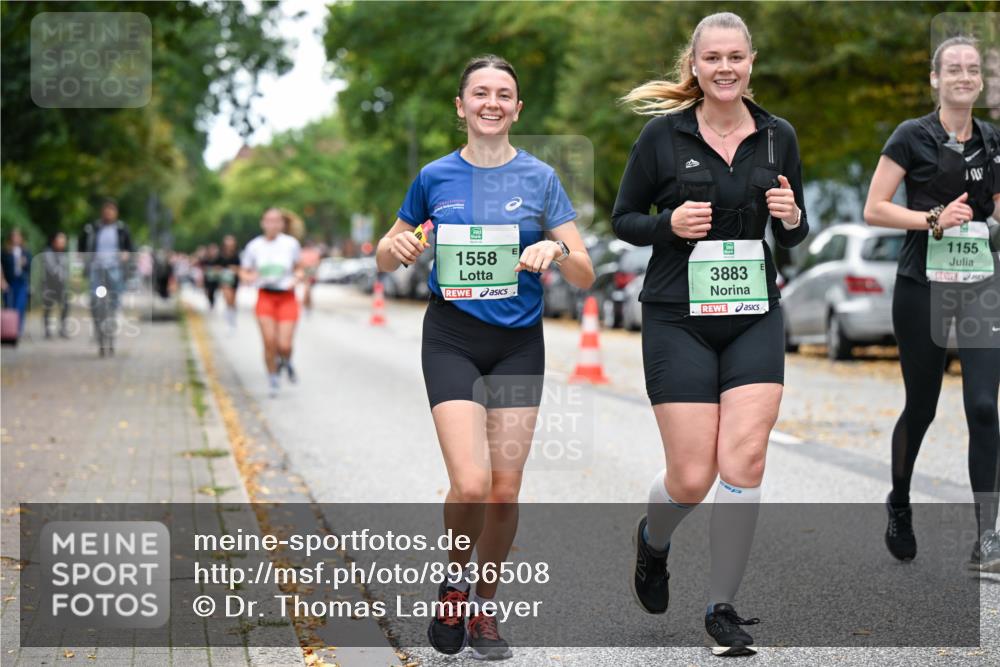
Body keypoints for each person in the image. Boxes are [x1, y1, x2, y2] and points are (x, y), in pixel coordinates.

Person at [375, 55, 594, 660]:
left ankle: (484, 609)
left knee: (503, 491)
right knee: (470, 484)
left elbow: (586, 273)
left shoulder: (541, 179)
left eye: (503, 94)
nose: (491, 102)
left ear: (517, 109)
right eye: (480, 93)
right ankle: (453, 583)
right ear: (461, 105)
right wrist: (394, 247)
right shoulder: (434, 177)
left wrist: (554, 245)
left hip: (519, 343)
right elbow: (385, 256)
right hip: (451, 338)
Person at [612, 12, 808, 656]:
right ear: (693, 66)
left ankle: (723, 606)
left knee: (745, 457)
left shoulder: (778, 137)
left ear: (752, 62)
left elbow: (795, 233)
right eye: (712, 58)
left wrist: (792, 217)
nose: (726, 68)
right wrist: (668, 224)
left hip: (753, 311)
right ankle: (654, 541)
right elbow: (624, 220)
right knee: (692, 477)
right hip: (678, 316)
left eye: (736, 57)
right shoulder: (662, 138)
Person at [863, 35, 1000, 573]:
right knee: (922, 407)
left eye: (972, 69)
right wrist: (933, 219)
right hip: (922, 286)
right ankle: (899, 501)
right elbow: (874, 207)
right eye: (954, 69)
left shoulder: (992, 142)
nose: (964, 76)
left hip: (981, 288)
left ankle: (987, 538)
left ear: (981, 81)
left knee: (985, 408)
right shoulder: (911, 137)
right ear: (936, 80)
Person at [240, 208, 304, 397]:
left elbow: (299, 269)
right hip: (265, 297)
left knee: (284, 345)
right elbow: (244, 271)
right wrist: (249, 277)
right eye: (269, 220)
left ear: (282, 224)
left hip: (287, 297)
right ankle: (273, 378)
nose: (272, 224)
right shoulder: (254, 246)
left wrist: (297, 278)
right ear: (262, 223)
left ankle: (287, 360)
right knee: (269, 342)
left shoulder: (290, 244)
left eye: (277, 221)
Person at [78, 198, 134, 356]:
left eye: (112, 210)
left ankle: (111, 329)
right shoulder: (92, 228)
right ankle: (99, 332)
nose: (108, 213)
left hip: (115, 270)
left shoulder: (122, 229)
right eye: (106, 210)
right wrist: (83, 257)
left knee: (114, 303)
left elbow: (130, 248)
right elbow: (81, 247)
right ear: (102, 212)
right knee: (96, 300)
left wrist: (126, 255)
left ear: (116, 213)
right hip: (97, 270)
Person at [1, 228, 32, 337]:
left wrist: (25, 263)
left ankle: (17, 330)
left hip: (22, 282)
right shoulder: (5, 252)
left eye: (18, 236)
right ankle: (8, 329)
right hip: (9, 282)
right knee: (9, 305)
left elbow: (30, 269)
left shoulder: (26, 252)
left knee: (20, 305)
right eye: (14, 236)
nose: (16, 239)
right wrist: (2, 281)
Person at [40, 232, 70, 339]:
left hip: (61, 285)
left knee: (65, 306)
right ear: (54, 242)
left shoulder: (63, 254)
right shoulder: (48, 253)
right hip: (49, 284)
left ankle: (63, 329)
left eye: (64, 241)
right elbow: (52, 269)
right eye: (60, 241)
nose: (62, 243)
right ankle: (48, 330)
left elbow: (65, 270)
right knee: (48, 307)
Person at [217, 234, 241, 330]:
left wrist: (234, 269)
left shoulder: (237, 255)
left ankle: (232, 317)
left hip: (234, 279)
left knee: (233, 300)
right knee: (227, 297)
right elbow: (217, 267)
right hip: (225, 279)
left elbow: (241, 268)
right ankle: (229, 316)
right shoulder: (221, 255)